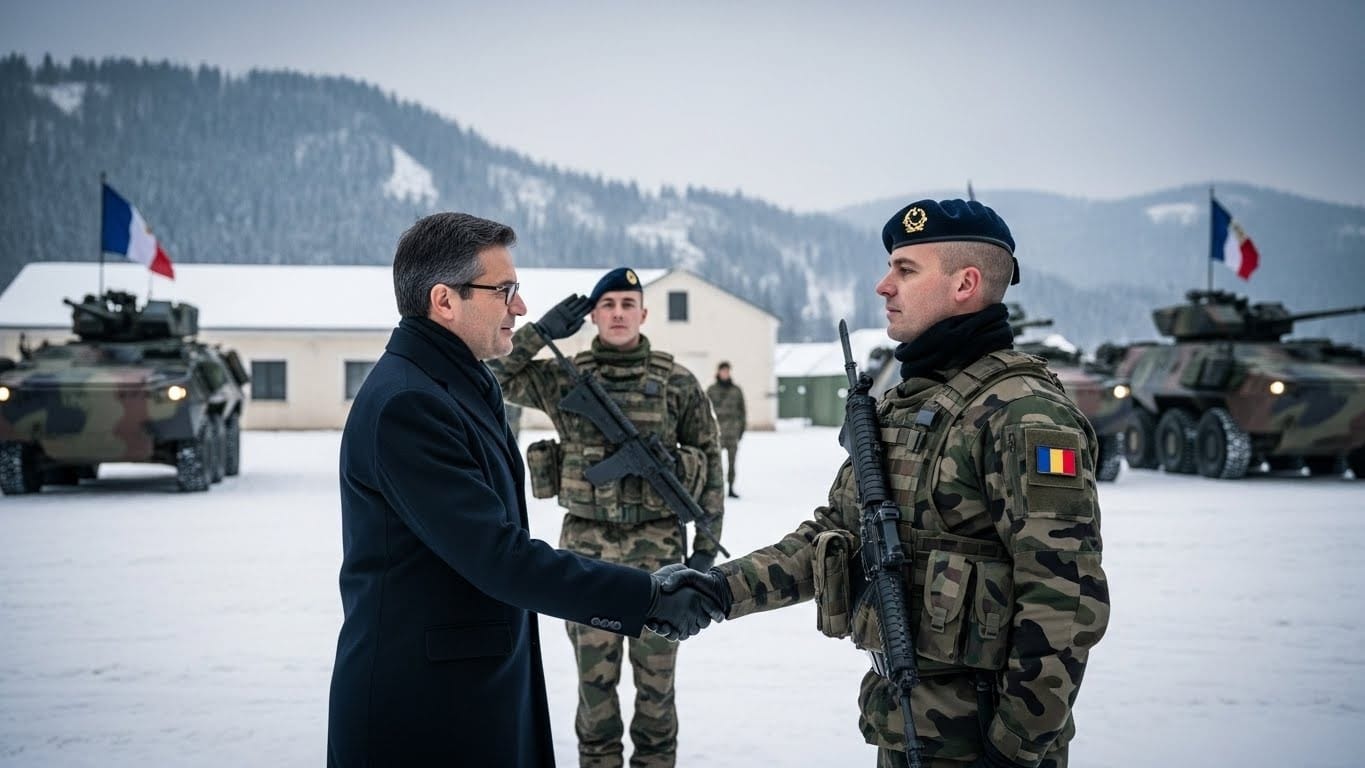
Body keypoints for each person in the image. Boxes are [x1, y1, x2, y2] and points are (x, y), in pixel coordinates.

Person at [668, 200, 1111, 767]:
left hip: (986, 744)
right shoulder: (906, 405)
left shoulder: (1024, 414)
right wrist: (716, 591)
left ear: (965, 283)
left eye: (905, 270)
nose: (883, 286)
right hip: (904, 728)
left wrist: (1015, 747)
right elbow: (834, 536)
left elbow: (1064, 598)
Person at [326, 214, 724, 768]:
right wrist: (647, 597)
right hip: (426, 710)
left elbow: (708, 456)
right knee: (598, 706)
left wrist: (703, 545)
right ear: (445, 301)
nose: (519, 306)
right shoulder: (409, 404)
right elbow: (497, 557)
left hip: (472, 688)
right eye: (505, 290)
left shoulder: (455, 385)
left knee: (655, 708)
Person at [491, 267, 726, 768]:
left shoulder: (676, 382)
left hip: (659, 553)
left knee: (657, 694)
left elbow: (710, 459)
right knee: (593, 693)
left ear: (643, 312)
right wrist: (542, 331)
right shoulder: (562, 377)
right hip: (585, 553)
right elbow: (493, 374)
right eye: (608, 305)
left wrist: (706, 547)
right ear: (594, 315)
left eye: (627, 304)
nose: (618, 313)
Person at [705, 361, 746, 498]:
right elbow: (704, 411)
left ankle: (731, 487)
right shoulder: (711, 390)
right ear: (718, 372)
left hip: (732, 433)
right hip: (717, 433)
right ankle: (717, 488)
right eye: (723, 371)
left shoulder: (736, 390)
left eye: (727, 371)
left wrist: (741, 430)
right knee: (715, 462)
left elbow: (742, 412)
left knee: (732, 462)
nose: (725, 373)